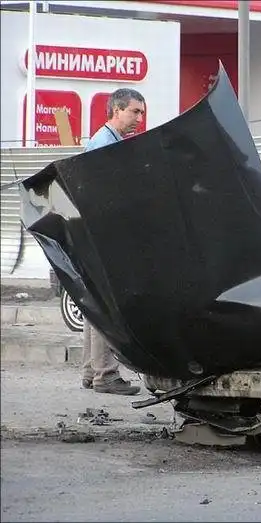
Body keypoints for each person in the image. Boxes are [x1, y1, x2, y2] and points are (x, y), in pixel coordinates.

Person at [81, 88, 145, 395]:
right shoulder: (105, 145)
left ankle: (90, 371)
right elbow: (103, 197)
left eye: (141, 112)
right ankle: (105, 375)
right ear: (116, 110)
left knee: (94, 302)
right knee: (106, 305)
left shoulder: (109, 141)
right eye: (135, 111)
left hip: (96, 234)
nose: (139, 119)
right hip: (104, 236)